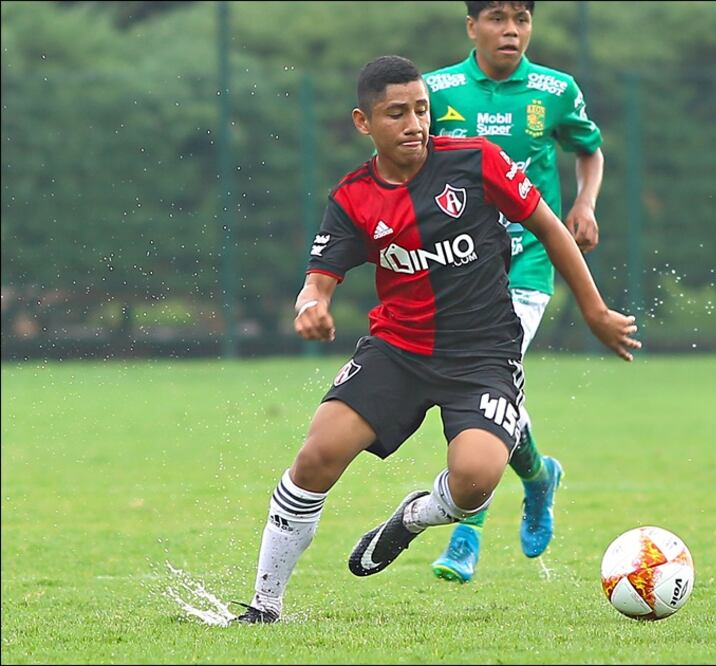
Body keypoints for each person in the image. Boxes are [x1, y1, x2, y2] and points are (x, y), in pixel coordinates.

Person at [233, 54, 638, 624]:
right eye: (396, 113)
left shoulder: (476, 162)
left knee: (474, 481)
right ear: (363, 122)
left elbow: (548, 227)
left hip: (484, 355)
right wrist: (310, 308)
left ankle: (413, 518)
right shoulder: (352, 197)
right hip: (397, 350)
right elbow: (318, 281)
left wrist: (594, 311)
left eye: (421, 110)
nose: (414, 124)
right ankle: (264, 606)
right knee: (316, 455)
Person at [423, 0, 605, 584]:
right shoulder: (436, 89)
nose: (511, 30)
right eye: (497, 18)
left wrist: (583, 202)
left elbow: (589, 148)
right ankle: (537, 475)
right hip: (457, 270)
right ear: (471, 25)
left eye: (522, 18)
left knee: (488, 384)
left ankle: (465, 531)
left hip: (526, 265)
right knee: (487, 388)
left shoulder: (555, 88)